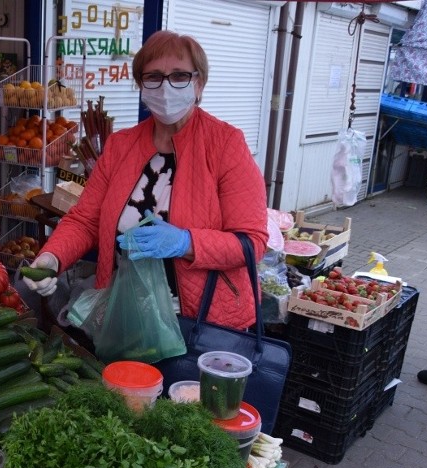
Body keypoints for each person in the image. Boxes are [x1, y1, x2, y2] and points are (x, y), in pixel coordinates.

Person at [23, 30, 268, 331]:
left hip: (199, 322)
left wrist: (185, 242)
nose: (165, 87)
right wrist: (52, 257)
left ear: (199, 84)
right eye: (153, 77)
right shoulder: (120, 146)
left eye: (179, 76)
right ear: (141, 85)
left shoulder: (226, 145)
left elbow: (251, 242)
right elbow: (85, 220)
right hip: (126, 315)